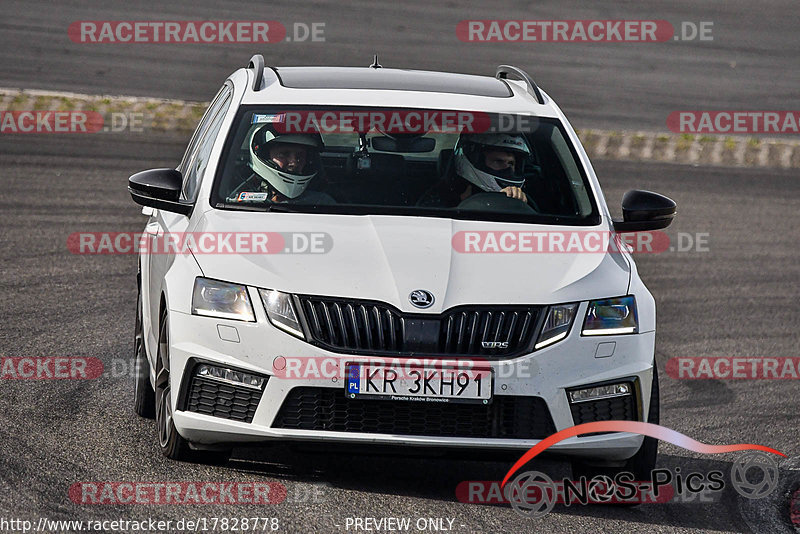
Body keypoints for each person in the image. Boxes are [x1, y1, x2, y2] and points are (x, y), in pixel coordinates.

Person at [417, 133, 533, 208]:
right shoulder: (439, 199)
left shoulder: (523, 201)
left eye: (511, 164)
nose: (508, 169)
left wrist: (518, 205)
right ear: (474, 159)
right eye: (498, 162)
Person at [228, 123, 331, 203]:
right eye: (283, 154)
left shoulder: (322, 202)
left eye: (300, 156)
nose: (294, 163)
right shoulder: (239, 200)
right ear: (264, 155)